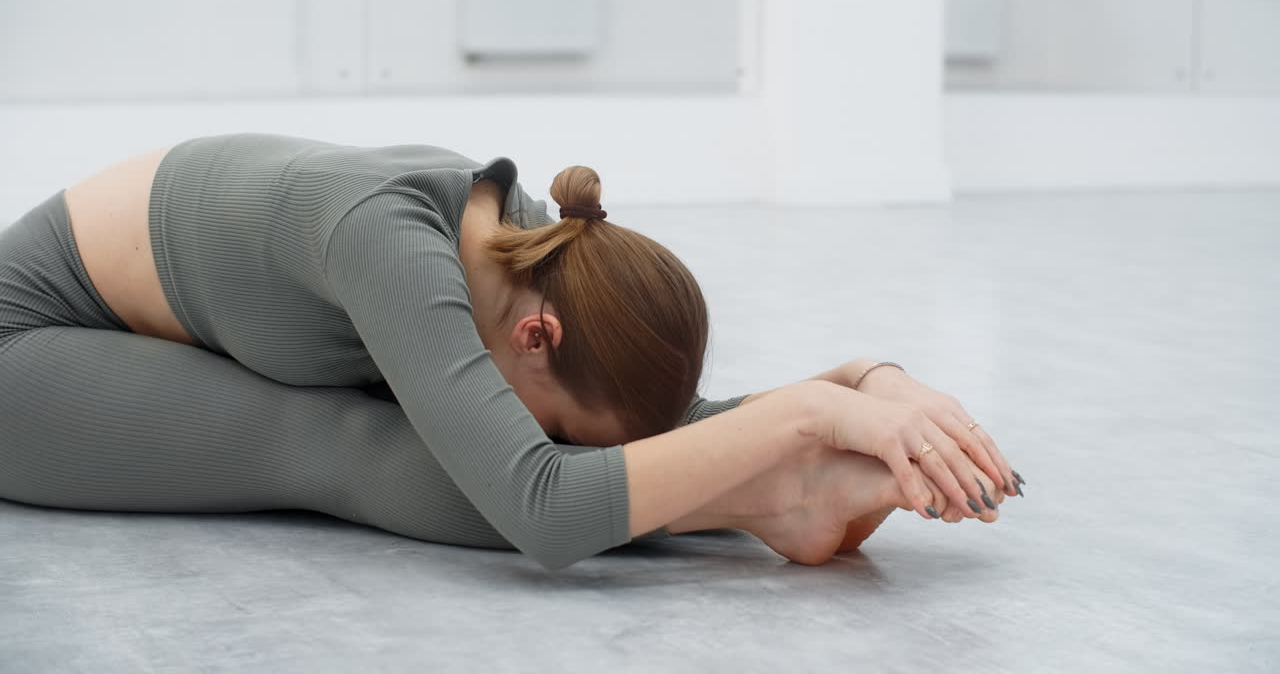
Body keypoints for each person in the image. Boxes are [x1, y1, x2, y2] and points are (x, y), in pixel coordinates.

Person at [0, 133, 1024, 571]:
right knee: (335, 443)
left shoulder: (533, 254)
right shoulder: (390, 243)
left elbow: (635, 428)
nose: (556, 441)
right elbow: (541, 510)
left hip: (151, 336)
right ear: (537, 337)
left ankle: (776, 498)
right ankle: (768, 501)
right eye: (557, 425)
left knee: (470, 446)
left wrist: (869, 383)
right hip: (32, 348)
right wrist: (805, 422)